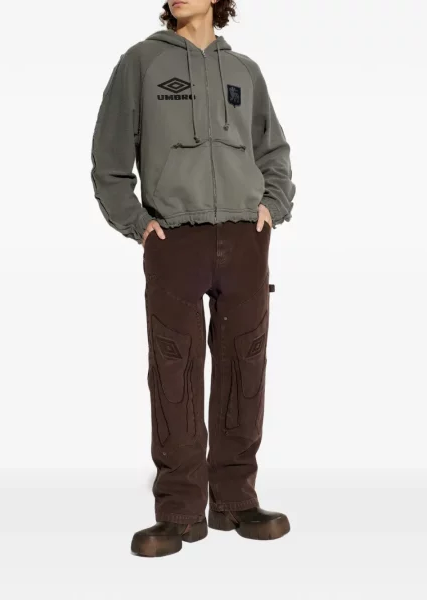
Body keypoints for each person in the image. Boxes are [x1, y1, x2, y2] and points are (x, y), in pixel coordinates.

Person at [90, 0, 296, 558]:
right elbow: (109, 162)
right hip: (174, 239)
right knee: (174, 372)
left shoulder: (245, 70)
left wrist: (272, 206)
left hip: (246, 238)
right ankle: (180, 512)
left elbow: (273, 151)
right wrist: (138, 223)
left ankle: (236, 501)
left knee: (244, 365)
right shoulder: (141, 63)